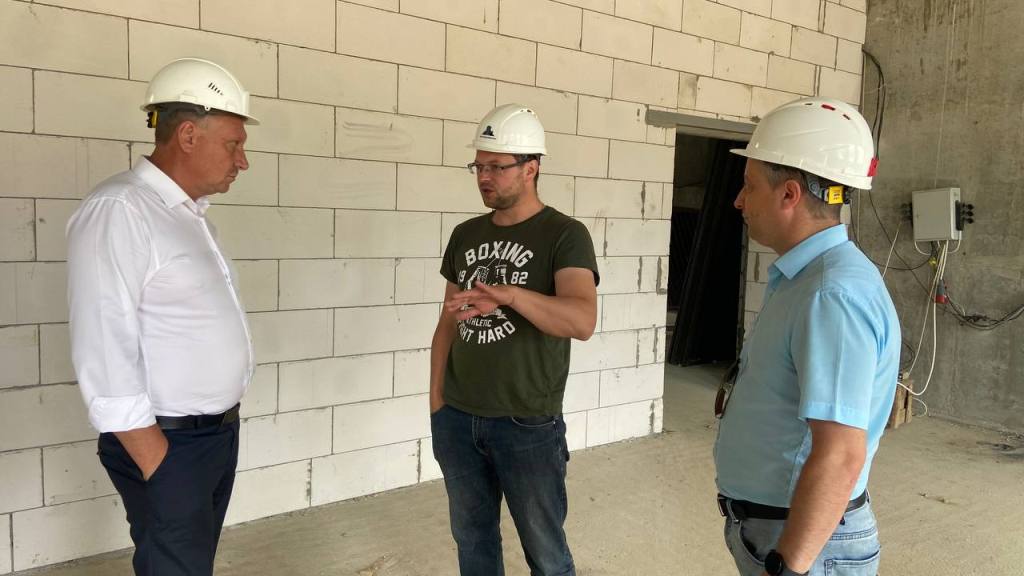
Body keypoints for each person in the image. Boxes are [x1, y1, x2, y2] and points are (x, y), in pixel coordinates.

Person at [66, 57, 257, 576]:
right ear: (189, 135)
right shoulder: (121, 210)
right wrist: (158, 459)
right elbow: (103, 343)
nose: (242, 161)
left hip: (211, 438)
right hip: (170, 444)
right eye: (234, 145)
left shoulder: (190, 218)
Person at [714, 97, 900, 576]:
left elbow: (840, 454)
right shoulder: (808, 278)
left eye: (749, 185)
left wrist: (788, 567)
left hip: (805, 543)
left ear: (789, 194)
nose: (738, 200)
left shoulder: (830, 295)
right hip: (786, 528)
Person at [429, 103, 600, 576]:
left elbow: (581, 319)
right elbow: (447, 323)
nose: (484, 177)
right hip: (458, 418)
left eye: (496, 167)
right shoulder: (465, 235)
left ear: (531, 168)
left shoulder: (565, 235)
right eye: (478, 166)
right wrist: (437, 404)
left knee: (546, 554)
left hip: (527, 424)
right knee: (473, 543)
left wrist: (510, 296)